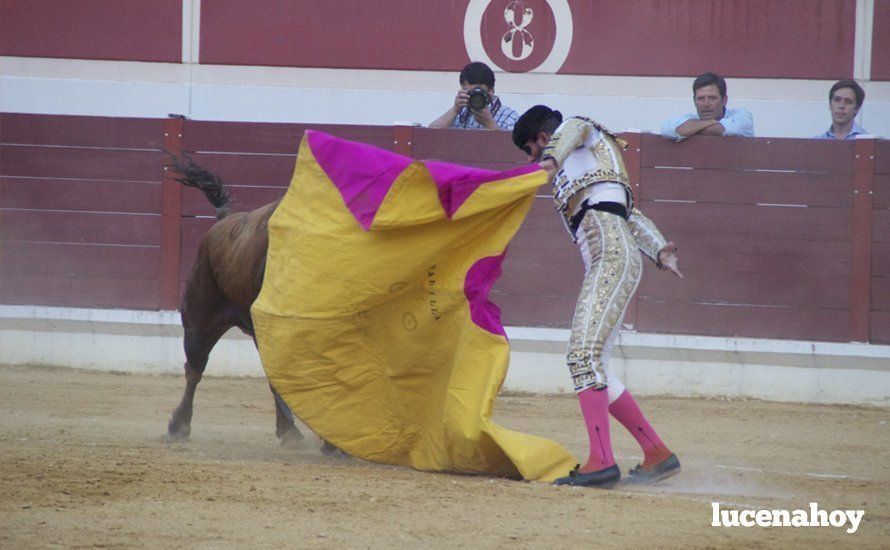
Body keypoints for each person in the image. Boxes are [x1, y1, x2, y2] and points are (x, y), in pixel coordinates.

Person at [513, 105, 683, 488]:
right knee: (595, 364)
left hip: (609, 254)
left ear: (543, 138)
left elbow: (572, 127)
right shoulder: (591, 169)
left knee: (582, 356)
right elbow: (629, 214)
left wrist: (552, 157)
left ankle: (602, 461)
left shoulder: (578, 131)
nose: (533, 159)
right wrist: (661, 251)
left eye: (531, 148)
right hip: (612, 253)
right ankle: (657, 453)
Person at [661, 72, 754, 140]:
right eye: (701, 99)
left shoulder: (741, 115)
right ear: (694, 101)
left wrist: (690, 130)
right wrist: (712, 123)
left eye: (712, 98)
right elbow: (666, 129)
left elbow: (732, 129)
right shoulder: (691, 118)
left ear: (724, 100)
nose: (706, 104)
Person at [429, 61, 519, 131]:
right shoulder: (460, 114)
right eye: (469, 92)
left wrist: (489, 123)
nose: (474, 97)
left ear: (491, 90)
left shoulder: (509, 117)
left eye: (478, 92)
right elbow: (431, 136)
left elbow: (511, 149)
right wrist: (455, 110)